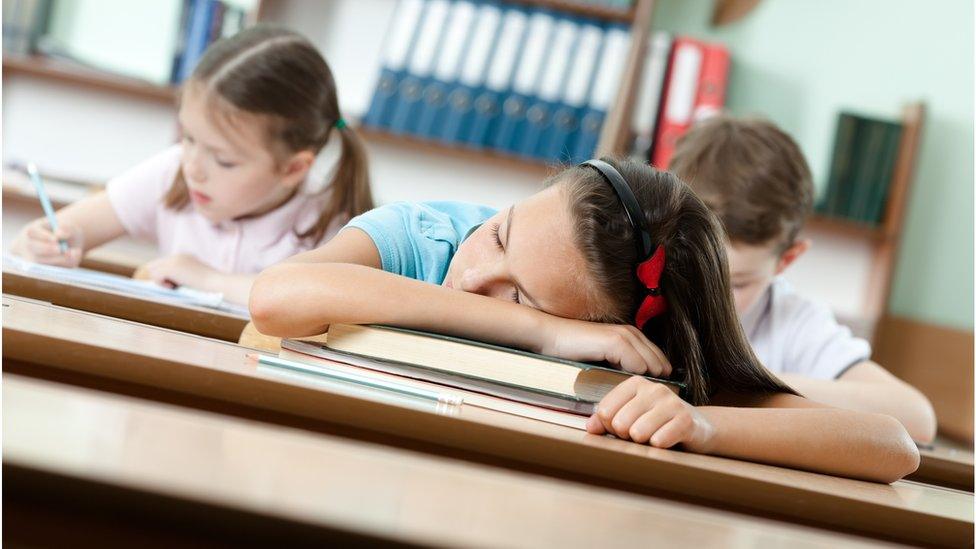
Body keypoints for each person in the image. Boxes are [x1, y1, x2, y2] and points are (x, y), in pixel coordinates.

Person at [251, 158, 919, 483]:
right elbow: (278, 295)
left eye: (525, 298)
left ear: (625, 334)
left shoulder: (623, 360)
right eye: (502, 234)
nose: (476, 273)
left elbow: (891, 442)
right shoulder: (424, 239)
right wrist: (542, 329)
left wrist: (707, 425)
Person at [12, 25, 373, 305]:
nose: (194, 168)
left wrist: (205, 278)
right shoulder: (173, 171)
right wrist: (46, 241)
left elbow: (309, 301)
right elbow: (62, 230)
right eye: (188, 137)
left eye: (224, 161)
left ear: (293, 169)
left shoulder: (333, 226)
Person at [669, 115, 936, 442]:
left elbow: (917, 417)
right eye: (694, 270)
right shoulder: (635, 284)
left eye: (738, 283)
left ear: (787, 259)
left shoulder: (792, 322)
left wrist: (749, 383)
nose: (710, 294)